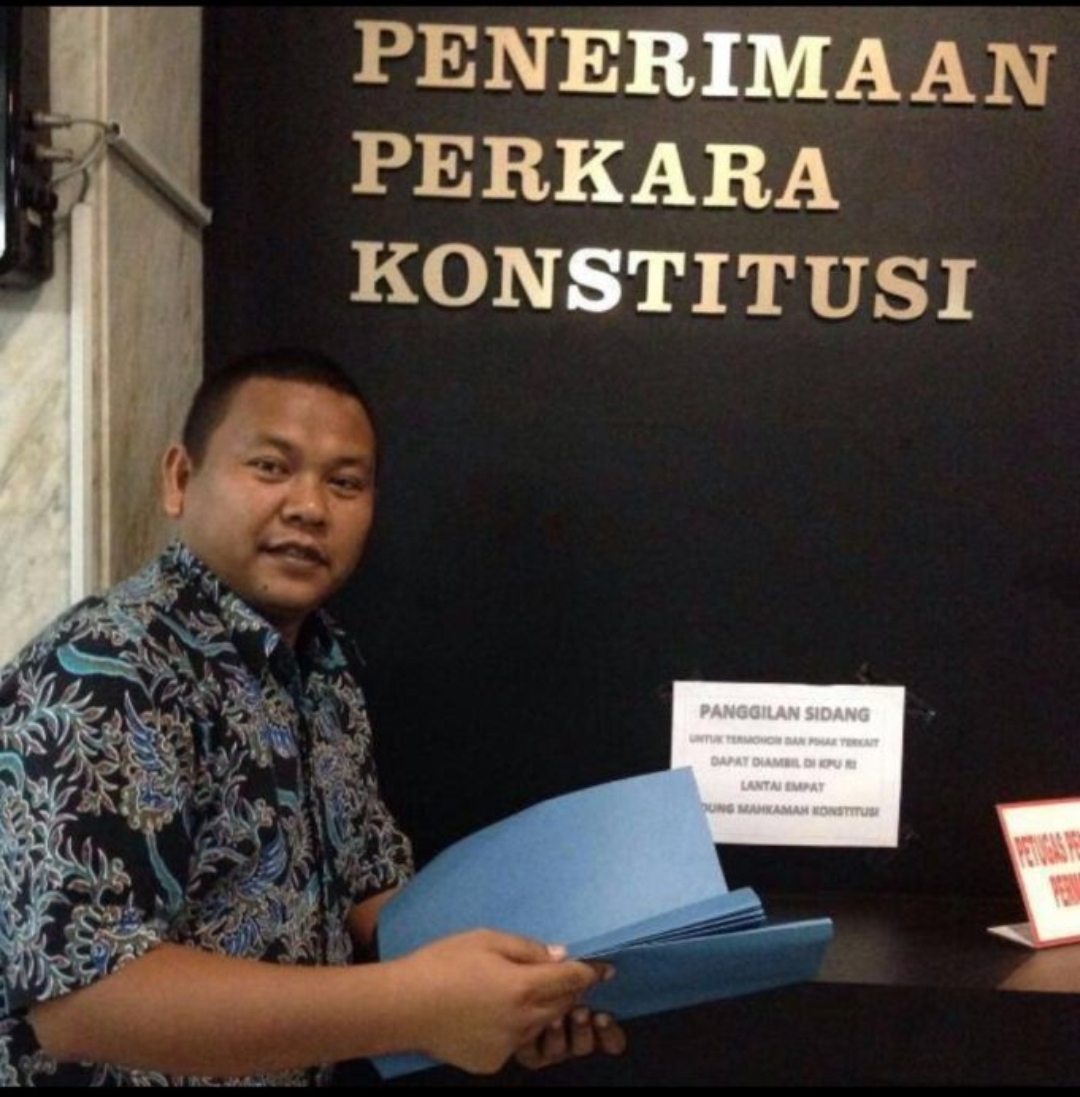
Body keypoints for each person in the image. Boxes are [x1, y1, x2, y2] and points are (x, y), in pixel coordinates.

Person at [0, 349, 626, 1085]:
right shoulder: (104, 670)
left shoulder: (324, 665)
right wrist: (421, 1007)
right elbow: (81, 999)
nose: (309, 506)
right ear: (179, 478)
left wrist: (526, 985)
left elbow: (369, 890)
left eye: (345, 482)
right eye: (271, 467)